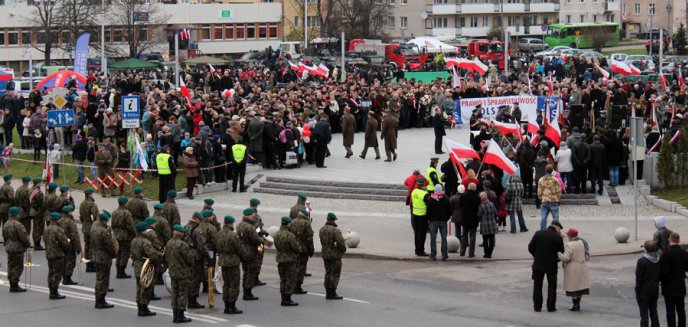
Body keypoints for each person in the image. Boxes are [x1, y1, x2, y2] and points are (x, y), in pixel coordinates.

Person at [528, 221, 565, 312]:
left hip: (538, 265)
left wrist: (536, 256)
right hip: (551, 266)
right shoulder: (557, 237)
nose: (559, 231)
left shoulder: (538, 233)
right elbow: (561, 252)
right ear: (556, 228)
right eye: (559, 229)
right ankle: (551, 307)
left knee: (537, 286)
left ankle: (537, 307)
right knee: (552, 287)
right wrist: (556, 260)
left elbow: (530, 247)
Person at [215, 215, 246, 314]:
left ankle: (226, 306)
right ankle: (232, 306)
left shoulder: (218, 234)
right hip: (233, 262)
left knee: (226, 284)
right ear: (231, 223)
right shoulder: (233, 235)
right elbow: (240, 249)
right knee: (234, 285)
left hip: (223, 261)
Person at [165, 224, 193, 323]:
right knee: (183, 294)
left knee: (175, 294)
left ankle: (175, 315)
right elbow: (189, 260)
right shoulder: (182, 245)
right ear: (181, 233)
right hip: (183, 273)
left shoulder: (169, 243)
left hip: (173, 272)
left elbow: (166, 257)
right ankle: (180, 315)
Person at [131, 220, 160, 317]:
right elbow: (153, 255)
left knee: (139, 288)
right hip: (145, 267)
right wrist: (157, 264)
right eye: (146, 230)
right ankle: (144, 308)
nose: (147, 232)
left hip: (137, 266)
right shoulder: (146, 242)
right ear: (143, 231)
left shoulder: (134, 240)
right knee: (146, 288)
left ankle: (140, 307)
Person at [558, 227, 590, 312]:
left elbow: (566, 258)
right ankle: (578, 304)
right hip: (582, 267)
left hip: (573, 269)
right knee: (580, 287)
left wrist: (559, 254)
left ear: (570, 236)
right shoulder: (582, 242)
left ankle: (575, 305)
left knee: (573, 288)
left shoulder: (569, 245)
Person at [660, 232, 688, 327]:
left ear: (669, 240)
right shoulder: (684, 253)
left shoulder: (666, 254)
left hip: (669, 287)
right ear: (679, 240)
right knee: (681, 309)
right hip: (680, 286)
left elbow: (664, 272)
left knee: (670, 310)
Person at [236, 208, 265, 301]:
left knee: (245, 272)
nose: (253, 216)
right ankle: (248, 292)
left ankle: (246, 290)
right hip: (251, 252)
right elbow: (255, 239)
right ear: (248, 215)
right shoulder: (250, 227)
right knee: (251, 272)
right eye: (252, 215)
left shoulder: (239, 225)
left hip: (242, 251)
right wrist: (263, 240)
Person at [274, 216, 301, 306]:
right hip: (290, 260)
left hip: (280, 259)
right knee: (290, 279)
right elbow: (296, 248)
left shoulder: (277, 234)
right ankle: (287, 298)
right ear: (288, 224)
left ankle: (283, 298)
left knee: (283, 279)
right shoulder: (289, 235)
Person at [91, 212, 116, 309]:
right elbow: (109, 246)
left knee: (99, 278)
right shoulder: (103, 231)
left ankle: (98, 299)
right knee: (103, 280)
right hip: (104, 258)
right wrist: (114, 254)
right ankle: (101, 300)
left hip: (95, 256)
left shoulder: (94, 226)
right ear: (103, 220)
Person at [2, 207, 30, 292]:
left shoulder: (6, 223)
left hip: (9, 246)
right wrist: (28, 244)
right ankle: (14, 284)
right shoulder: (18, 225)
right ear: (16, 214)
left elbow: (4, 235)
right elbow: (24, 237)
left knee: (11, 265)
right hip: (17, 248)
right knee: (17, 266)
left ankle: (12, 283)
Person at [320, 212, 346, 299]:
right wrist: (342, 250)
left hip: (325, 254)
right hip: (335, 255)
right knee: (334, 274)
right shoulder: (336, 231)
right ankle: (332, 292)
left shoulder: (322, 229)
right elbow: (341, 243)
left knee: (328, 272)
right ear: (333, 220)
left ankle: (327, 292)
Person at [184, 211, 208, 309]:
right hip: (196, 257)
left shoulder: (185, 227)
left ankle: (189, 299)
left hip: (187, 254)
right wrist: (208, 256)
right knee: (195, 279)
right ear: (197, 219)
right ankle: (192, 301)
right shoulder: (197, 230)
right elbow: (201, 246)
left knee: (189, 277)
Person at [636, 240, 661, 327]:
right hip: (654, 288)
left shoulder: (642, 261)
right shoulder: (658, 260)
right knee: (653, 311)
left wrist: (637, 289)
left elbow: (639, 277)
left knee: (644, 313)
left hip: (644, 289)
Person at [44, 212, 68, 299]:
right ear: (57, 219)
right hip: (57, 254)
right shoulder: (58, 230)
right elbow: (64, 242)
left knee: (51, 271)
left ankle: (51, 288)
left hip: (49, 253)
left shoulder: (47, 229)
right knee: (57, 273)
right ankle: (54, 291)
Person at [290, 208, 314, 294]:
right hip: (303, 249)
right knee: (301, 268)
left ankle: (291, 285)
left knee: (294, 267)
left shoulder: (292, 222)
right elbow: (309, 239)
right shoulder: (306, 224)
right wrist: (311, 250)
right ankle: (297, 286)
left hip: (293, 248)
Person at [112, 196, 135, 279]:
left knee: (118, 253)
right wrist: (134, 234)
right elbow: (130, 226)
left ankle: (118, 270)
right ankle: (122, 271)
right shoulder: (126, 213)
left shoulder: (114, 212)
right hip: (125, 236)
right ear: (125, 203)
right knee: (125, 254)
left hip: (116, 235)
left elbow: (112, 225)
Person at [58, 205, 81, 285]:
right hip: (69, 245)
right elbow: (75, 236)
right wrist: (78, 247)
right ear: (68, 213)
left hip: (61, 244)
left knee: (63, 260)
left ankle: (63, 275)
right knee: (71, 261)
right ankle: (67, 278)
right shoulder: (70, 222)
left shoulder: (59, 221)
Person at [427, 184, 450, 260]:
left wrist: (430, 219)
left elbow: (428, 211)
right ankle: (444, 254)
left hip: (433, 221)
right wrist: (446, 218)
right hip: (443, 221)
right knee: (444, 238)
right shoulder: (446, 198)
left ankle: (433, 254)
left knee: (433, 238)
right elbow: (449, 211)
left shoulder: (431, 199)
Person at [79, 187, 99, 273]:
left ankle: (87, 263)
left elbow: (81, 216)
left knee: (87, 246)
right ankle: (91, 264)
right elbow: (96, 216)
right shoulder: (92, 204)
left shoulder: (82, 204)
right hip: (91, 226)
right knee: (92, 246)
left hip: (85, 226)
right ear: (90, 195)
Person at [537, 165, 562, 230]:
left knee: (543, 218)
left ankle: (543, 231)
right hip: (554, 200)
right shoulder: (555, 179)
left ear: (545, 170)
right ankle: (555, 230)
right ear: (552, 171)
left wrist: (540, 198)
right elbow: (559, 190)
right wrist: (558, 199)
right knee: (555, 218)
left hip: (545, 200)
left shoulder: (541, 179)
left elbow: (539, 191)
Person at [459, 183, 481, 257]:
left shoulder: (463, 196)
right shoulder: (477, 197)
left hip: (465, 218)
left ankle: (462, 252)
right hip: (473, 219)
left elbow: (460, 205)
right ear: (475, 188)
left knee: (464, 236)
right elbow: (478, 207)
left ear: (468, 188)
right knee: (472, 237)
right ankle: (471, 253)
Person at [410, 178, 430, 257]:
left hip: (415, 215)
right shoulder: (425, 194)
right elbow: (429, 205)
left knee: (417, 233)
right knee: (422, 235)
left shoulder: (414, 191)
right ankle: (421, 251)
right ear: (423, 185)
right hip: (422, 216)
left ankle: (417, 250)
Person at [477, 192, 498, 259]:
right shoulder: (491, 204)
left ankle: (486, 253)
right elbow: (495, 213)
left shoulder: (481, 206)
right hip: (492, 224)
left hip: (485, 225)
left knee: (485, 240)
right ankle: (490, 253)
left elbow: (479, 215)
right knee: (492, 240)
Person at [28, 177, 45, 250]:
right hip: (38, 212)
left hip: (33, 210)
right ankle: (37, 244)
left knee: (35, 227)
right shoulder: (38, 192)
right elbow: (41, 203)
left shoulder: (30, 189)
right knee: (39, 228)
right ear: (38, 183)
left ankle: (36, 242)